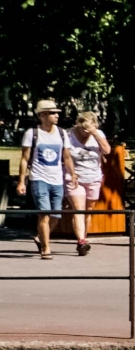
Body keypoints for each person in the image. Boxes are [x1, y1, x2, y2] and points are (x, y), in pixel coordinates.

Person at [15, 100, 71, 259]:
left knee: (56, 215)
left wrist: (72, 175)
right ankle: (46, 248)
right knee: (44, 214)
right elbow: (25, 159)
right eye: (53, 113)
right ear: (42, 115)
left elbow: (66, 157)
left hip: (57, 179)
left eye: (57, 113)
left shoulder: (62, 133)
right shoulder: (32, 133)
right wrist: (21, 181)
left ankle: (40, 237)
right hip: (39, 178)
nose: (57, 115)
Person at [62, 111, 110, 256]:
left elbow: (107, 150)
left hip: (94, 177)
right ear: (78, 124)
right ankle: (81, 241)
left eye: (89, 128)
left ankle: (84, 238)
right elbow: (65, 156)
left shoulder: (98, 134)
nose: (86, 132)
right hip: (74, 178)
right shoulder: (68, 135)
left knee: (88, 211)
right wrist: (71, 173)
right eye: (83, 128)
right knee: (79, 209)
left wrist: (95, 133)